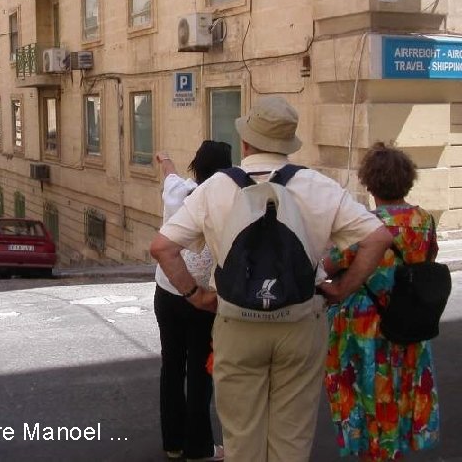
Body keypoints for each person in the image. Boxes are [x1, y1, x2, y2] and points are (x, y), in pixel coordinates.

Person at [150, 96, 392, 462]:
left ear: (246, 142)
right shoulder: (317, 186)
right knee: (291, 439)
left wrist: (195, 294)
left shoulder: (215, 188)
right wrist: (342, 289)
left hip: (237, 323)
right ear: (288, 144)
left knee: (243, 439)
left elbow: (162, 247)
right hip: (300, 322)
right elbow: (378, 237)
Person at [320, 142, 440, 461]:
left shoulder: (362, 224)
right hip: (407, 319)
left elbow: (329, 265)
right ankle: (392, 451)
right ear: (407, 180)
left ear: (370, 182)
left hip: (364, 325)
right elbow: (428, 258)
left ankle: (375, 453)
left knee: (367, 395)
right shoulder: (423, 220)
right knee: (399, 390)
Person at [154, 141, 231, 461]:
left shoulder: (178, 191)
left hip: (167, 291)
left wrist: (166, 157)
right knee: (201, 371)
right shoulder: (226, 201)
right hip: (202, 299)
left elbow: (169, 172)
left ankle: (173, 443)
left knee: (172, 366)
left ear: (195, 168)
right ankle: (199, 447)